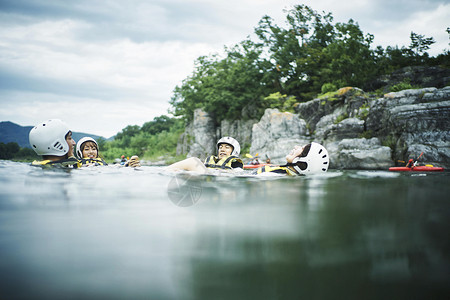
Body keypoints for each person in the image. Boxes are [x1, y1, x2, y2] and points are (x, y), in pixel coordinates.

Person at [166, 136, 243, 173]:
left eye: (227, 147)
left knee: (193, 161)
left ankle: (164, 171)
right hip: (207, 177)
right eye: (220, 147)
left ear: (234, 152)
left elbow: (238, 173)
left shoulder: (235, 163)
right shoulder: (211, 160)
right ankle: (167, 170)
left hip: (212, 179)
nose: (222, 149)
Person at [255, 142, 329, 176]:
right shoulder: (284, 172)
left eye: (302, 148)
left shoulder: (280, 174)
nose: (296, 147)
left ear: (306, 160)